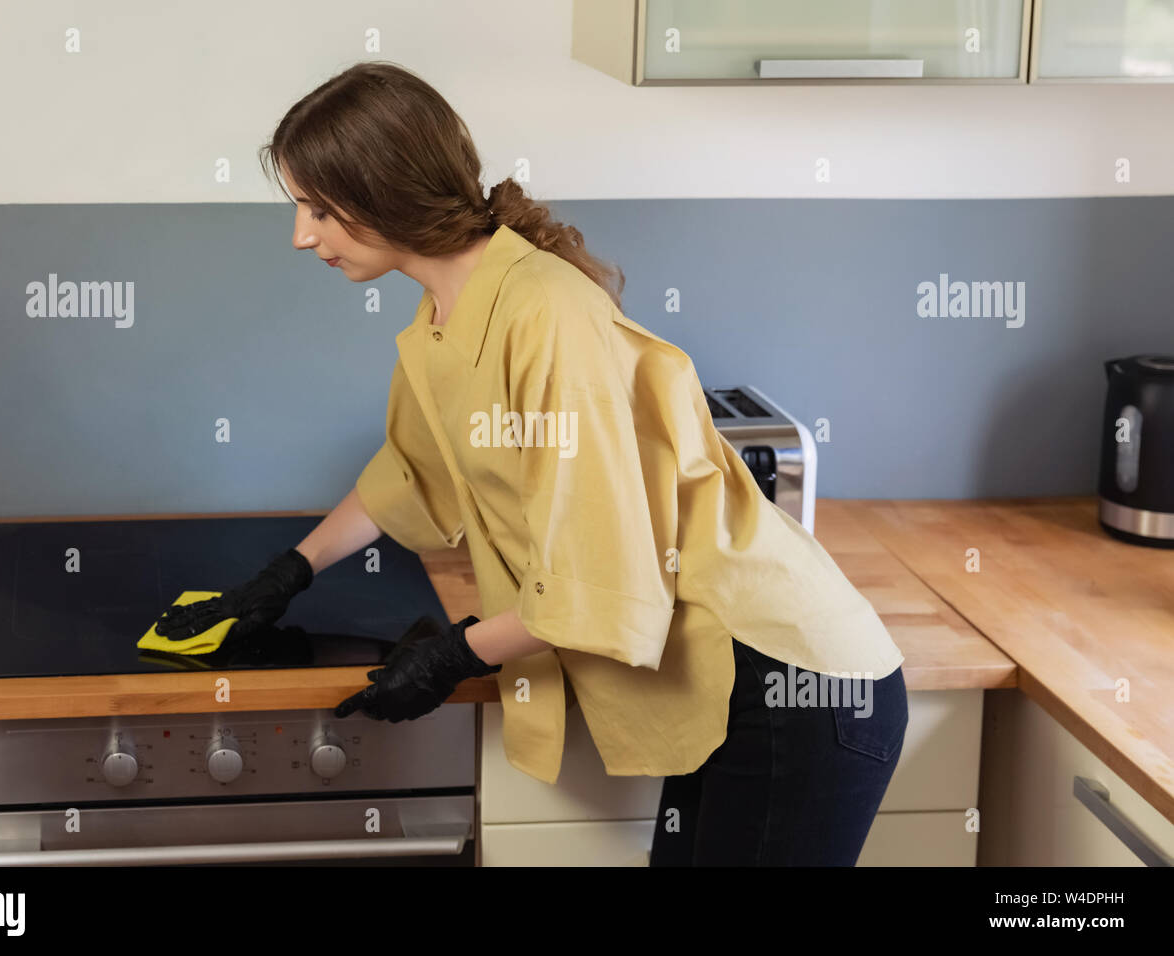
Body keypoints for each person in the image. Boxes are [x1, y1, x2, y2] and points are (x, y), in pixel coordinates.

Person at [152, 61, 908, 866]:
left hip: (790, 679)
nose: (303, 236)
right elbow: (413, 469)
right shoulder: (454, 306)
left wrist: (454, 654)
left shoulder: (546, 313)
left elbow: (600, 574)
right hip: (730, 678)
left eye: (320, 210)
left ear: (386, 192)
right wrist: (286, 575)